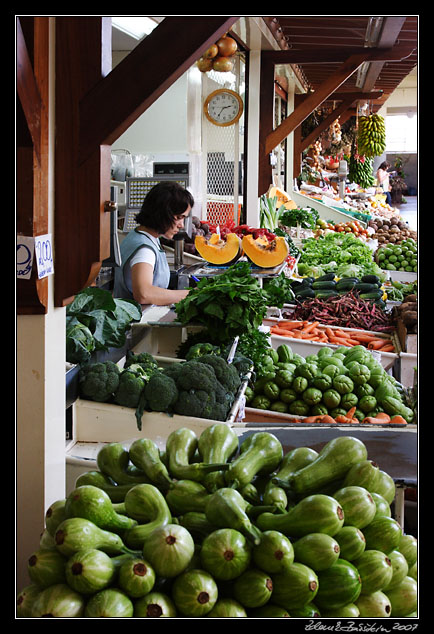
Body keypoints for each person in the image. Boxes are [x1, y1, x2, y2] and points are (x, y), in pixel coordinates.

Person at [113, 181, 194, 305]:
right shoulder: (144, 250)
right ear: (162, 214)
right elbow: (143, 294)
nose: (181, 225)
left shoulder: (141, 236)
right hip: (137, 321)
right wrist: (192, 294)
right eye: (179, 218)